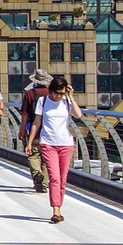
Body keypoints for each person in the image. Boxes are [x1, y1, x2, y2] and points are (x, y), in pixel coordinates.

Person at [25, 76, 83, 223]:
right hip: (48, 143)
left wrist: (71, 97)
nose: (58, 96)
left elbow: (78, 115)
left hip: (66, 143)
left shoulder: (66, 102)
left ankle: (59, 206)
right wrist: (30, 142)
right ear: (50, 91)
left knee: (63, 178)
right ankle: (55, 210)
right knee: (54, 177)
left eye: (61, 93)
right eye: (56, 93)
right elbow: (36, 122)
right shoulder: (43, 101)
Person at [19, 70, 52, 193]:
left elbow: (25, 113)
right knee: (45, 158)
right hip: (48, 130)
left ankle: (37, 174)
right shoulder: (51, 94)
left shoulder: (29, 93)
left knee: (33, 155)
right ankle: (43, 184)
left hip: (33, 129)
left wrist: (22, 129)